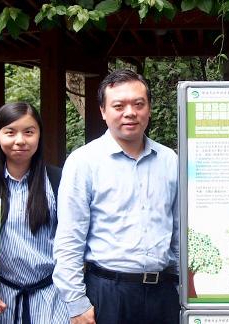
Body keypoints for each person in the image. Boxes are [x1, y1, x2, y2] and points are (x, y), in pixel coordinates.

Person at [53, 69, 180, 324]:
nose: (130, 112)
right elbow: (69, 239)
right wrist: (76, 303)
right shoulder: (83, 162)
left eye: (138, 104)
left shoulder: (170, 160)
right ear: (103, 111)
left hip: (163, 292)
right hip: (108, 293)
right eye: (119, 105)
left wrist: (183, 290)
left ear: (149, 108)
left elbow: (177, 232)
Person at [0, 102, 69, 324]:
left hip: (52, 297)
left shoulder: (59, 181)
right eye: (10, 132)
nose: (20, 140)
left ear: (39, 136)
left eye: (29, 132)